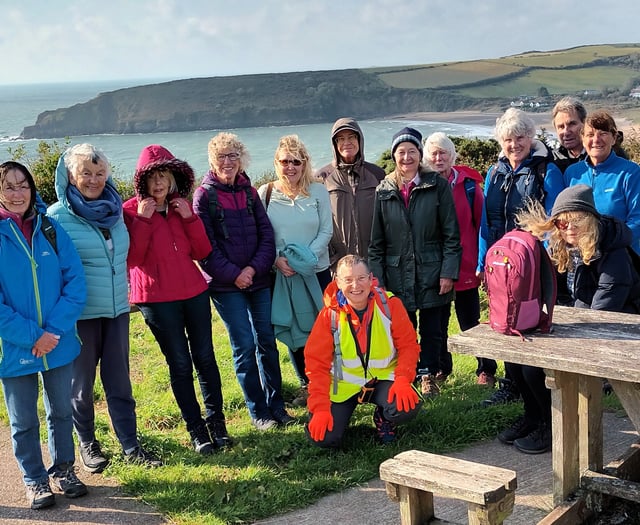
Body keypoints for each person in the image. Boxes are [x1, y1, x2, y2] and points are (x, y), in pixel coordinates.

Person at [48, 144, 162, 470]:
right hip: (80, 317)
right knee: (81, 386)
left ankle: (130, 445)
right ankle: (88, 443)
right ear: (71, 176)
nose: (94, 180)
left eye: (100, 173)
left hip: (116, 311)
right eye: (86, 173)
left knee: (120, 382)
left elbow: (131, 257)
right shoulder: (57, 218)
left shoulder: (115, 214)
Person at [123, 145, 231, 454]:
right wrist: (143, 221)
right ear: (142, 180)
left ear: (174, 178)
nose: (159, 184)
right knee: (180, 363)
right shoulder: (130, 210)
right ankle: (197, 430)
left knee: (206, 359)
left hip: (194, 293)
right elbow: (133, 259)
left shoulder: (181, 207)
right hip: (156, 299)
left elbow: (201, 252)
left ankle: (217, 424)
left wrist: (190, 219)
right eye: (153, 177)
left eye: (165, 176)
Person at [0, 162, 88, 509]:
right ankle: (35, 480)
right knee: (23, 421)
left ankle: (64, 469)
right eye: (9, 186)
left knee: (62, 412)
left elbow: (75, 283)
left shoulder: (50, 229)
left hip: (58, 340)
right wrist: (33, 336)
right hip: (14, 347)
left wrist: (52, 331)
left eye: (24, 185)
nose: (18, 193)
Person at [193, 132, 293, 431]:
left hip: (258, 279)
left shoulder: (249, 193)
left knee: (267, 343)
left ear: (241, 159)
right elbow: (205, 248)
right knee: (244, 346)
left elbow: (266, 235)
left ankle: (277, 406)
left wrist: (252, 269)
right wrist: (235, 274)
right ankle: (258, 411)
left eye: (233, 156)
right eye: (222, 156)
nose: (228, 162)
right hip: (226, 286)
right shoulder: (204, 196)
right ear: (212, 160)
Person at [477, 109, 564, 407]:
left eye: (520, 137)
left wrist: (549, 258)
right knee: (502, 318)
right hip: (500, 264)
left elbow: (554, 219)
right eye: (508, 139)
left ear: (531, 137)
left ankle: (537, 393)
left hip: (532, 263)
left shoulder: (546, 170)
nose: (514, 144)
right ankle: (510, 383)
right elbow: (486, 222)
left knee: (528, 322)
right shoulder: (494, 172)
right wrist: (481, 262)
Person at [369, 127, 461, 398]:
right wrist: (379, 282)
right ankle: (407, 374)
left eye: (412, 151)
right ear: (394, 155)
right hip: (397, 275)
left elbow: (451, 235)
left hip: (433, 271)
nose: (406, 157)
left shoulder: (437, 185)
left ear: (420, 154)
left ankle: (428, 375)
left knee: (433, 331)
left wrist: (448, 272)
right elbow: (376, 243)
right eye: (401, 152)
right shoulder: (384, 190)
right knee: (404, 331)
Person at [305, 255, 422, 447]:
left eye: (361, 278)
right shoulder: (329, 315)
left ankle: (385, 418)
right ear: (337, 282)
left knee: (406, 407)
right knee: (323, 437)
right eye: (348, 280)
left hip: (383, 378)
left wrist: (403, 380)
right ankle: (335, 420)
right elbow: (316, 364)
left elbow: (409, 346)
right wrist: (320, 408)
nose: (355, 286)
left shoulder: (389, 305)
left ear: (370, 278)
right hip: (343, 385)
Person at [257, 135, 333, 407]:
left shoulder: (319, 191)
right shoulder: (265, 193)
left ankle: (329, 379)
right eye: (285, 161)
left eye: (296, 161)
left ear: (305, 163)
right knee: (295, 329)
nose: (290, 167)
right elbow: (262, 233)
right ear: (277, 163)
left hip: (316, 270)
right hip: (283, 273)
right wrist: (277, 259)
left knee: (324, 328)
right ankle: (306, 383)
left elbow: (327, 229)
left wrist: (307, 259)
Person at [423, 132, 496, 387]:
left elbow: (482, 226)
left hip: (466, 264)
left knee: (470, 321)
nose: (438, 157)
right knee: (439, 321)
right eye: (433, 153)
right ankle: (442, 368)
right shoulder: (423, 185)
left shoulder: (468, 186)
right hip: (436, 266)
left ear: (452, 156)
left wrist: (481, 262)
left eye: (443, 152)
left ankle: (485, 369)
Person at [518, 184, 640, 313]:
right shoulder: (559, 246)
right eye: (563, 223)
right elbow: (549, 290)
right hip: (580, 312)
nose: (570, 228)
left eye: (577, 221)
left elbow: (607, 302)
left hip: (624, 319)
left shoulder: (612, 250)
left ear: (590, 221)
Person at [564, 110, 640, 254]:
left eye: (603, 133)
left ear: (613, 138)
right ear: (583, 139)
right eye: (590, 135)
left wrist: (607, 242)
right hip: (581, 258)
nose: (596, 139)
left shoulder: (631, 172)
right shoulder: (572, 173)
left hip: (621, 257)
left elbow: (638, 219)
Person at [315, 117, 385, 272]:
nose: (346, 142)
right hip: (339, 265)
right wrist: (330, 256)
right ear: (335, 144)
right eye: (341, 139)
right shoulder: (322, 177)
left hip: (373, 262)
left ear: (360, 140)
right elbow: (317, 221)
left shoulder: (377, 174)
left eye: (351, 137)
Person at [551, 96, 587, 173]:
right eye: (561, 127)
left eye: (572, 124)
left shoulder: (601, 158)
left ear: (585, 123)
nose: (566, 132)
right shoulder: (552, 162)